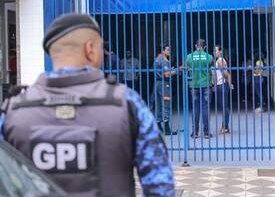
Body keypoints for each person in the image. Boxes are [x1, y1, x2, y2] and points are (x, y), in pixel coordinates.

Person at [1, 14, 175, 196]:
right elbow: (160, 185)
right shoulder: (127, 103)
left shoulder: (13, 110)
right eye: (101, 47)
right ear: (90, 48)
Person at [186, 39, 213, 139]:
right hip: (206, 84)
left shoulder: (189, 56)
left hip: (193, 85)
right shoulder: (209, 56)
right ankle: (206, 133)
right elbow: (212, 70)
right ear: (204, 47)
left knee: (195, 109)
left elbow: (185, 68)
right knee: (205, 108)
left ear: (195, 46)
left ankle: (195, 132)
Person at [151, 44, 177, 135]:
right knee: (166, 104)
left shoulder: (157, 59)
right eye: (167, 50)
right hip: (164, 84)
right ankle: (167, 129)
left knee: (158, 104)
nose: (169, 51)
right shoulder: (163, 61)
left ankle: (158, 126)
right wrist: (177, 70)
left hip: (157, 84)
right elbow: (166, 74)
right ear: (163, 51)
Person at [214, 45, 232, 135]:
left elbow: (225, 73)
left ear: (220, 51)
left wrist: (228, 82)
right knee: (224, 106)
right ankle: (225, 126)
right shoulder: (220, 60)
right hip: (221, 85)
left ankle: (225, 127)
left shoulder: (220, 60)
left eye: (216, 50)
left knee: (225, 107)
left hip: (221, 85)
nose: (214, 52)